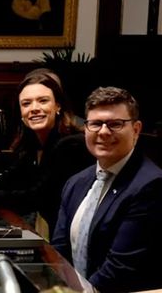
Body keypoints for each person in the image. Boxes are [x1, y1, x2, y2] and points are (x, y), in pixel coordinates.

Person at [0, 69, 93, 231]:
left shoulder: (71, 145)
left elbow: (39, 197)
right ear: (21, 112)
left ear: (58, 106)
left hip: (74, 235)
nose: (34, 108)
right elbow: (11, 179)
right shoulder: (34, 142)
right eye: (26, 103)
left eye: (43, 101)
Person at [52, 87, 162, 292]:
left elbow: (119, 268)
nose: (103, 132)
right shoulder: (76, 182)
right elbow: (59, 252)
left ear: (136, 130)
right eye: (95, 124)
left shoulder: (151, 185)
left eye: (115, 124)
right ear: (85, 128)